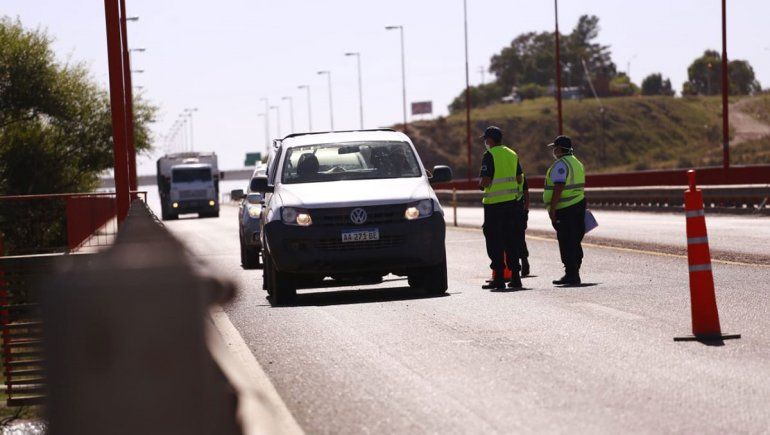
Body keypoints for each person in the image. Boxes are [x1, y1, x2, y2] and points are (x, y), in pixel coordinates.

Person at [479, 126, 524, 290]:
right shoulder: (512, 154)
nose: (485, 143)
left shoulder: (489, 155)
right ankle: (516, 277)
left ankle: (498, 278)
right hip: (512, 204)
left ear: (490, 140)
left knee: (495, 242)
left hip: (494, 206)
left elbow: (485, 180)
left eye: (485, 139)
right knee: (511, 241)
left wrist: (481, 185)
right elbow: (519, 178)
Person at [543, 135, 586, 285]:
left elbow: (559, 187)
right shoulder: (577, 163)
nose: (554, 151)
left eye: (555, 148)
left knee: (566, 240)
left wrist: (552, 209)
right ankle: (574, 270)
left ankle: (571, 274)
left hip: (565, 208)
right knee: (574, 239)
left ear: (560, 149)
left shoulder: (561, 165)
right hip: (578, 204)